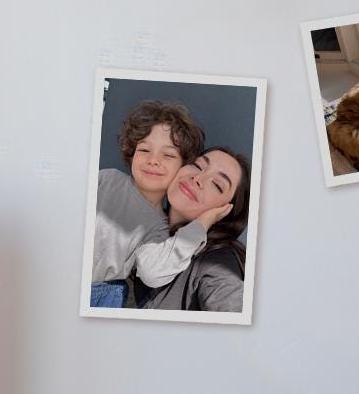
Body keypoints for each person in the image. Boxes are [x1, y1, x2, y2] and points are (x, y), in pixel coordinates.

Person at [90, 102, 231, 308]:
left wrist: (202, 223)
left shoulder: (159, 229)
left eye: (168, 155)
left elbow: (152, 273)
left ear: (184, 167)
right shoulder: (107, 178)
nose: (154, 160)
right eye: (145, 150)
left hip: (99, 293)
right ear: (132, 153)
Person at [135, 147, 251, 314]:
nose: (198, 178)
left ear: (226, 211)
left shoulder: (217, 263)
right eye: (197, 166)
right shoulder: (143, 224)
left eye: (217, 184)